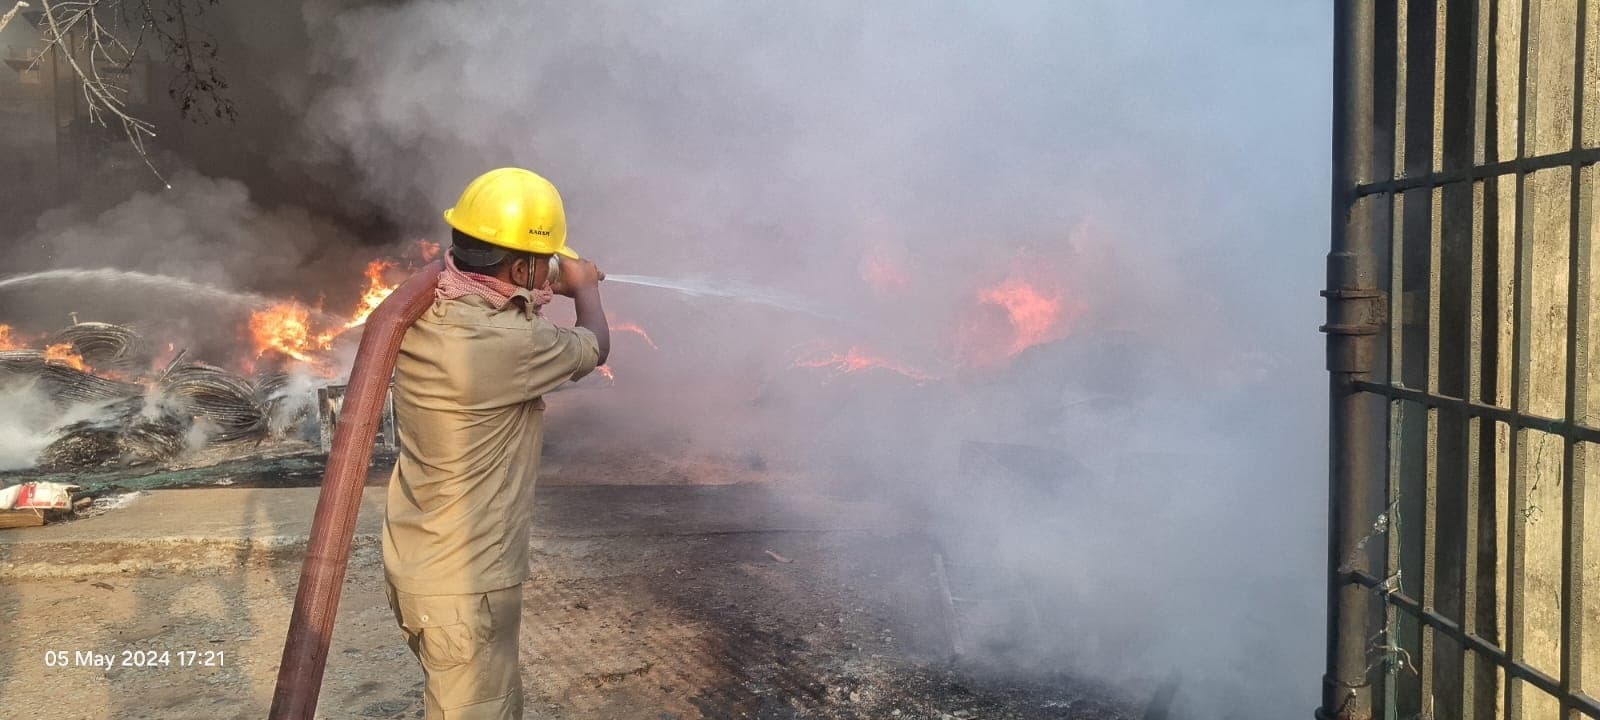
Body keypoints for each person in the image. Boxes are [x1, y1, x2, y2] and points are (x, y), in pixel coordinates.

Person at [382, 167, 610, 719]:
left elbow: (494, 299)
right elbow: (594, 346)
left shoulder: (432, 310)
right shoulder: (508, 342)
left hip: (421, 565)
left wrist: (536, 283)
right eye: (542, 260)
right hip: (467, 586)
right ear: (519, 265)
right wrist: (586, 290)